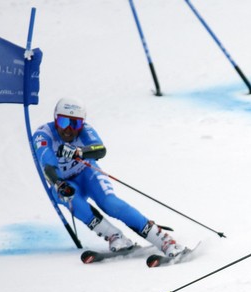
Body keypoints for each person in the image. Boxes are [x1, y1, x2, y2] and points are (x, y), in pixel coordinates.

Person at [32, 97, 185, 256]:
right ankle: (115, 236)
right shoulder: (43, 135)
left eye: (75, 123)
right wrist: (58, 183)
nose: (68, 129)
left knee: (110, 203)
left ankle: (164, 240)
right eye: (63, 122)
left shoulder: (85, 130)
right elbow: (48, 165)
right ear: (55, 119)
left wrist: (79, 152)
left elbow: (100, 150)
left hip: (87, 174)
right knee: (63, 196)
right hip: (65, 181)